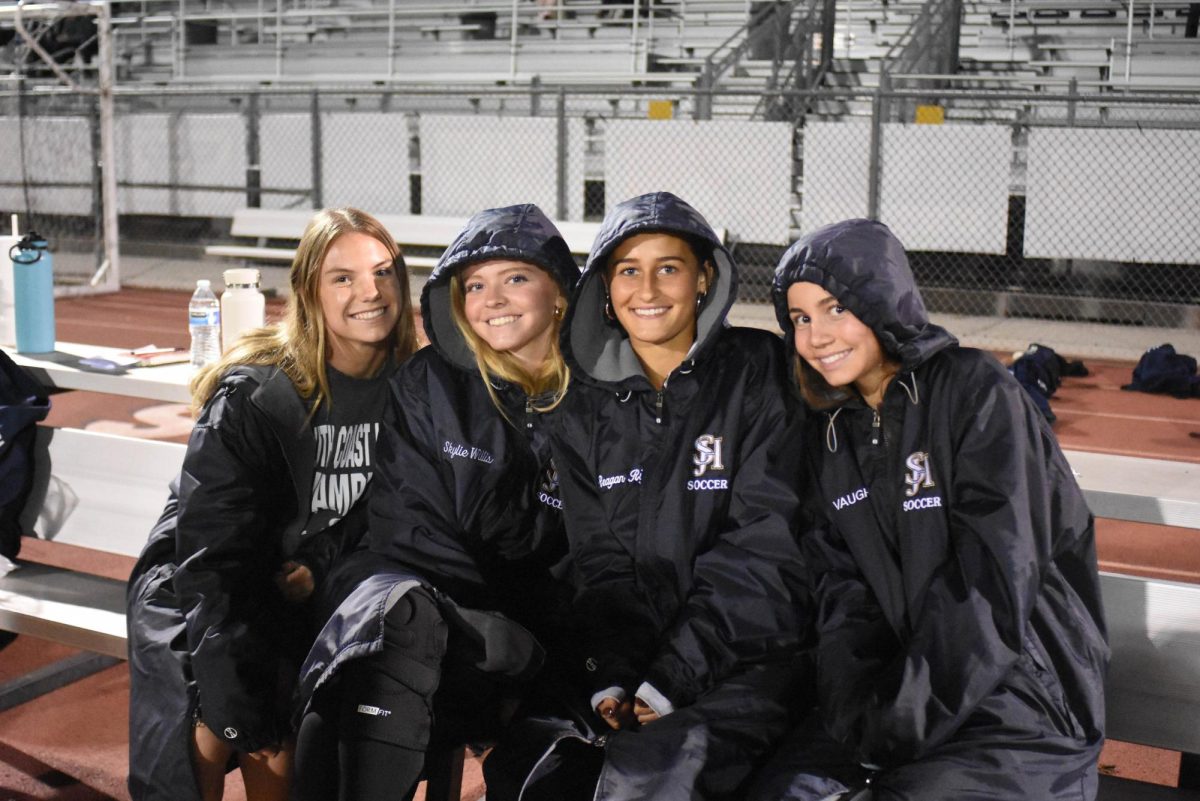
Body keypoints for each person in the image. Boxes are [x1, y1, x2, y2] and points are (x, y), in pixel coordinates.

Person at [754, 218, 1108, 801]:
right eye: (800, 319)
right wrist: (855, 718)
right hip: (903, 705)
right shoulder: (831, 434)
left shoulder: (976, 392)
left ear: (883, 305)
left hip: (1021, 709)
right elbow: (844, 595)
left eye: (836, 308)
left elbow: (994, 582)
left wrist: (896, 725)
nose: (816, 336)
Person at [485, 191, 808, 801]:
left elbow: (765, 553)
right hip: (636, 660)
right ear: (606, 288)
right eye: (628, 270)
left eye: (669, 267)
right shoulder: (577, 404)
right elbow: (600, 563)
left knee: (659, 776)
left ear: (704, 277)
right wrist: (613, 679)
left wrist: (671, 679)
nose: (648, 289)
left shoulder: (759, 373)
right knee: (532, 768)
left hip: (748, 657)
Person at [125, 207, 418, 801]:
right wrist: (236, 697)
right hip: (206, 578)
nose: (370, 291)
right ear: (309, 292)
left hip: (318, 580)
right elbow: (211, 552)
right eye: (343, 277)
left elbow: (398, 512)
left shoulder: (413, 388)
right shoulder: (257, 394)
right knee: (221, 710)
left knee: (299, 706)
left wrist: (321, 570)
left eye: (384, 272)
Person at [291, 203, 579, 801]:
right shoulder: (430, 382)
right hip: (434, 616)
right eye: (476, 285)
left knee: (361, 672)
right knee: (390, 631)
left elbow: (590, 549)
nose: (493, 299)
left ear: (558, 291)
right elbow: (409, 524)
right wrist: (472, 620)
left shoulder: (599, 398)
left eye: (516, 279)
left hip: (532, 639)